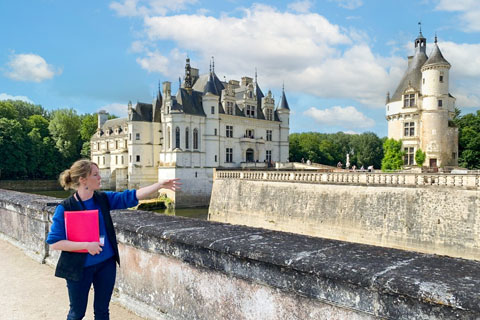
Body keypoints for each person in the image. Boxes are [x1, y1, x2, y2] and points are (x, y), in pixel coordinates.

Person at [46, 159, 181, 320]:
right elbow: (55, 243)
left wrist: (158, 185)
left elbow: (130, 196)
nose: (100, 177)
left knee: (103, 311)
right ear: (83, 180)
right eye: (95, 175)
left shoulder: (103, 199)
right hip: (79, 268)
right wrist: (86, 245)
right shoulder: (65, 207)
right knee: (77, 313)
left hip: (106, 265)